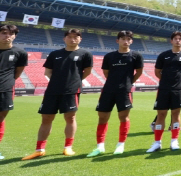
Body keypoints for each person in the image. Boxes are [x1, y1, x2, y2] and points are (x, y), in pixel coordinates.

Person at [22, 28, 93, 160]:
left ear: (80, 39)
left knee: (70, 118)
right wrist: (55, 82)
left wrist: (75, 81)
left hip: (71, 91)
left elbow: (87, 71)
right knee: (46, 118)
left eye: (75, 37)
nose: (72, 39)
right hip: (52, 91)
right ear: (64, 38)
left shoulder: (85, 54)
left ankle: (68, 147)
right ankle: (40, 149)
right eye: (69, 37)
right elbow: (48, 72)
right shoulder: (55, 54)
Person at [87, 30, 144, 157]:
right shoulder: (109, 56)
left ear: (131, 41)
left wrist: (128, 84)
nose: (126, 41)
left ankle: (120, 145)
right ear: (117, 40)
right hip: (108, 90)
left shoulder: (136, 56)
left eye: (128, 39)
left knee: (123, 118)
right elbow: (106, 73)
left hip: (124, 91)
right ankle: (100, 147)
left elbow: (138, 72)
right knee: (102, 117)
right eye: (123, 39)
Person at [147, 31, 181, 153]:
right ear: (171, 41)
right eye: (175, 38)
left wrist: (178, 82)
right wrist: (166, 81)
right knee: (161, 114)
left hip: (178, 90)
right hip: (163, 89)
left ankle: (174, 141)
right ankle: (157, 142)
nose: (178, 40)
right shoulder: (163, 55)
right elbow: (157, 72)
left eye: (180, 39)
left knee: (176, 115)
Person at [0, 25, 28, 160]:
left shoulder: (20, 53)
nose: (7, 36)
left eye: (11, 34)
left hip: (5, 89)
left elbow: (17, 72)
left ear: (15, 36)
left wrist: (6, 82)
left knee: (0, 119)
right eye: (4, 33)